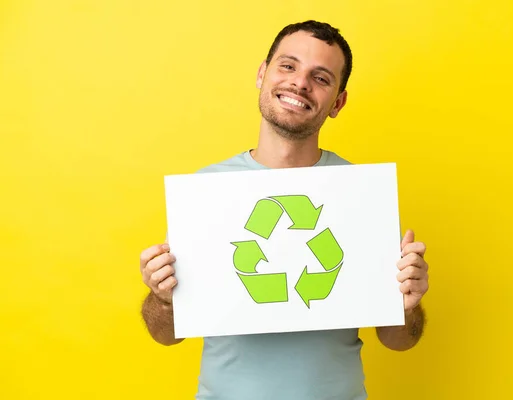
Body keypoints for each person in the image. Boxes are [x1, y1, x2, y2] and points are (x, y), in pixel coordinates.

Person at [140, 20, 430, 400]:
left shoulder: (359, 196)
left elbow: (399, 341)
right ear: (263, 74)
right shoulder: (207, 191)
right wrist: (162, 297)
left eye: (321, 77)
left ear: (337, 102)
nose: (300, 83)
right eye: (288, 66)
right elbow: (165, 336)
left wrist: (409, 304)